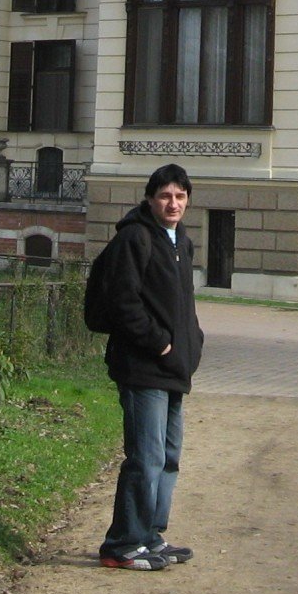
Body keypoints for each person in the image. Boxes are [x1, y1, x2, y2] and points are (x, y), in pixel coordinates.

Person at [95, 163, 203, 571]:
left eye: (179, 196)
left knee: (169, 456)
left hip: (174, 368)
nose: (172, 203)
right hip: (142, 367)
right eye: (164, 196)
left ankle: (150, 535)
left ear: (188, 199)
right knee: (145, 456)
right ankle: (122, 543)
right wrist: (159, 343)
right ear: (150, 198)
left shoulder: (181, 240)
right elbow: (124, 302)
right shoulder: (135, 238)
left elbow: (181, 304)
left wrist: (192, 344)